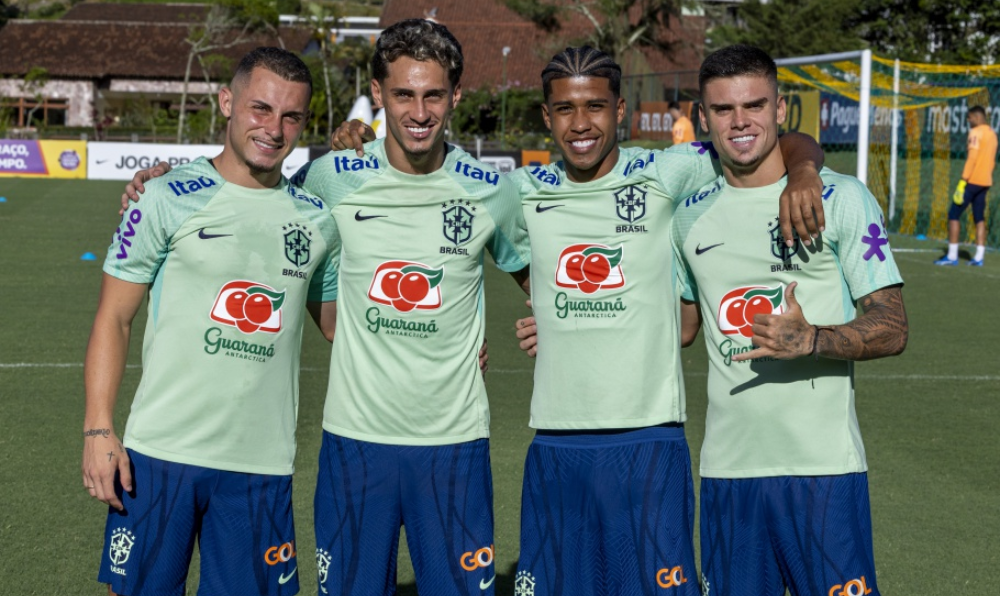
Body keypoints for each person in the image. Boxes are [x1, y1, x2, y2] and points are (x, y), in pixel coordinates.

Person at [333, 46, 825, 594]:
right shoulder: (516, 190)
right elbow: (435, 207)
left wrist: (804, 170)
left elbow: (771, 142)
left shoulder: (666, 170)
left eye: (595, 106)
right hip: (555, 446)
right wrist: (362, 143)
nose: (581, 123)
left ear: (619, 111)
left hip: (649, 442)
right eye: (565, 109)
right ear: (547, 118)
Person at [123, 19, 530, 596]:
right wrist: (155, 184)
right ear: (379, 94)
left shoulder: (491, 189)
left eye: (433, 94)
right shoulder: (330, 179)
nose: (419, 111)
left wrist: (548, 325)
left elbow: (542, 277)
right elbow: (254, 198)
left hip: (455, 441)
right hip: (352, 441)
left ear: (455, 96)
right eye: (403, 94)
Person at [83, 47, 335, 596]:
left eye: (291, 116)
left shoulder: (318, 222)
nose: (274, 128)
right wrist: (99, 427)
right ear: (227, 102)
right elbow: (114, 317)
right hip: (159, 456)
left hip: (261, 465)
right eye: (260, 108)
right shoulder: (161, 196)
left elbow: (342, 328)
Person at [671, 44, 908, 596]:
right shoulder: (686, 216)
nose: (741, 122)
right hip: (728, 475)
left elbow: (893, 325)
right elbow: (680, 327)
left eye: (755, 105)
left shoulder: (841, 198)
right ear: (703, 118)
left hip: (824, 471)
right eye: (724, 110)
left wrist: (814, 338)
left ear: (780, 110)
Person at [936, 104, 997, 266]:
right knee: (979, 218)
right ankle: (979, 257)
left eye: (969, 118)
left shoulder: (976, 133)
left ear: (977, 117)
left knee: (953, 214)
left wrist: (963, 181)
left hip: (972, 181)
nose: (968, 122)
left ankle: (952, 255)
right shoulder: (992, 134)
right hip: (985, 182)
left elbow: (972, 159)